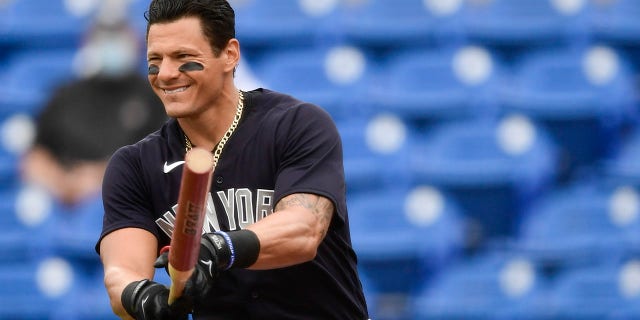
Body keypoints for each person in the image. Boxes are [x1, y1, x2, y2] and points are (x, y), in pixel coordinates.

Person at [95, 0, 370, 319]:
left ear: (230, 54)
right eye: (155, 60)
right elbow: (120, 275)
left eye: (184, 58)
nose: (166, 74)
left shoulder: (297, 124)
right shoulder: (134, 166)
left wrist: (219, 247)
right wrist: (142, 296)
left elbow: (304, 230)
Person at [20, 20, 167, 206]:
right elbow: (35, 155)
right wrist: (62, 184)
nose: (112, 45)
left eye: (118, 37)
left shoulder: (152, 96)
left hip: (125, 197)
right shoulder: (65, 95)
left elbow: (160, 157)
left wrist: (100, 176)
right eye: (105, 37)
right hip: (64, 200)